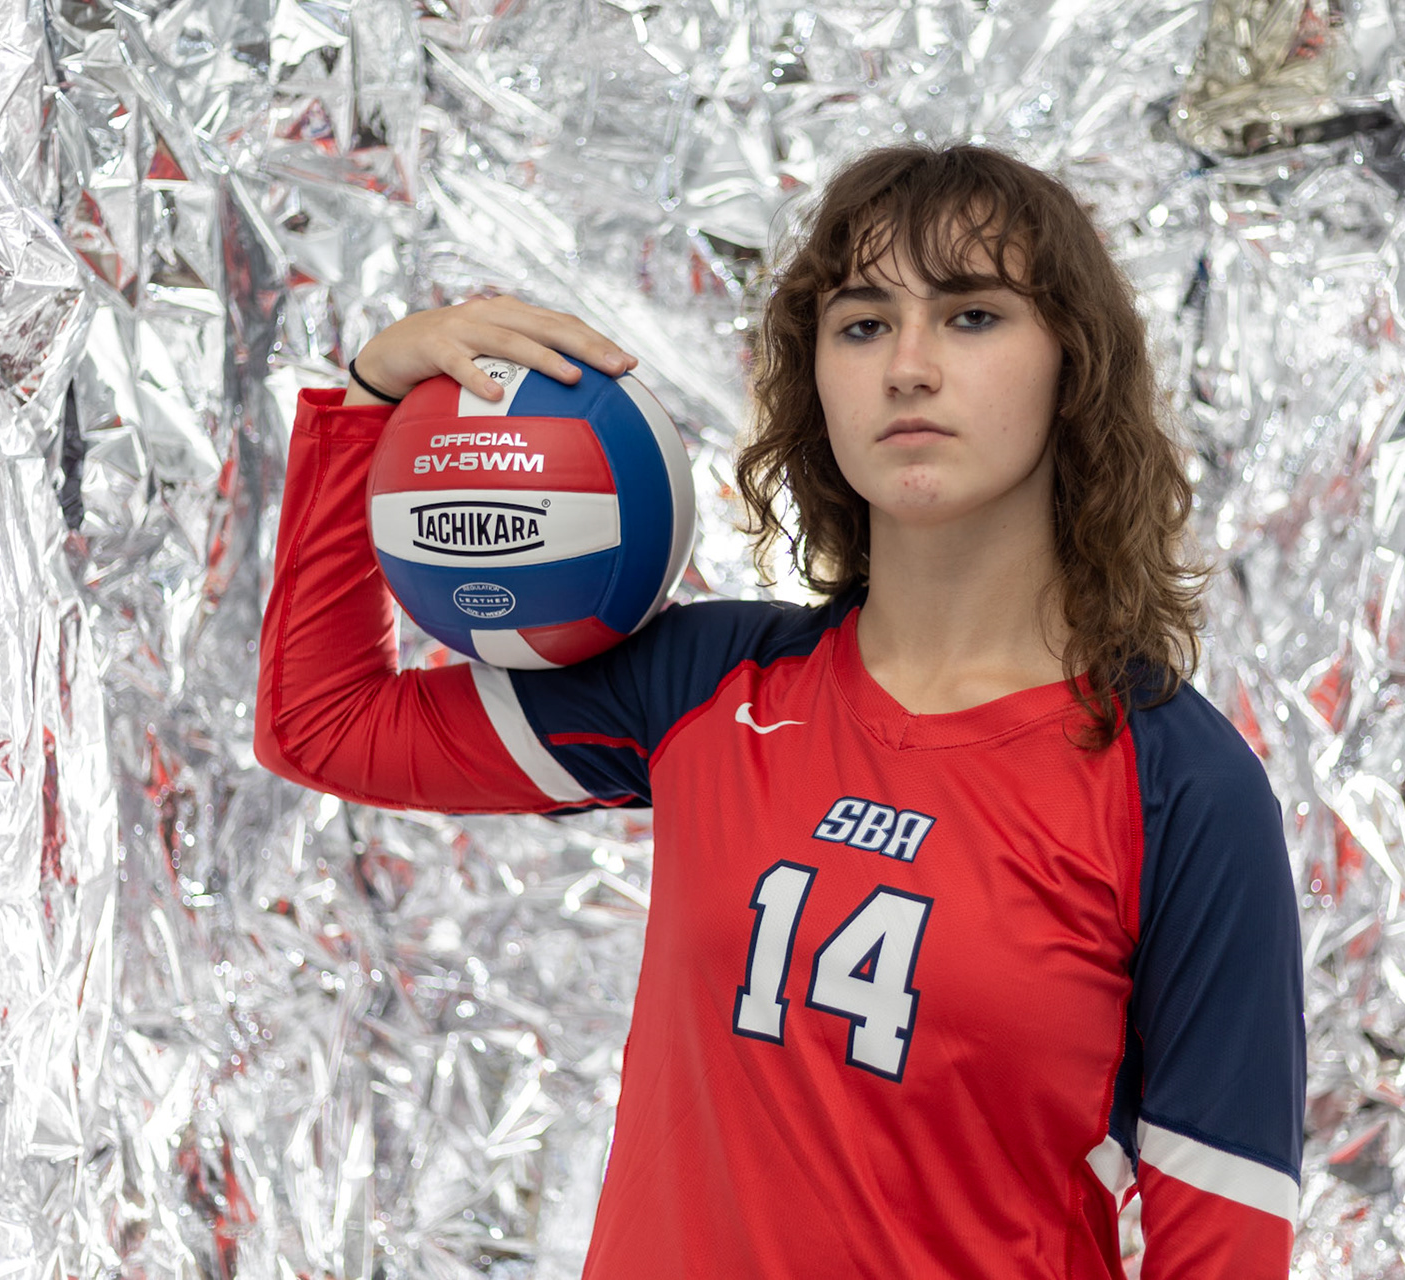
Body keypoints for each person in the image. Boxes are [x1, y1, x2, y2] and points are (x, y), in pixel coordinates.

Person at [255, 144, 1305, 1279]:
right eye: (862, 324)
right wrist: (368, 399)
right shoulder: (708, 681)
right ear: (815, 381)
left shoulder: (1178, 787)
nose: (908, 366)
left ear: (1075, 365)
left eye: (972, 316)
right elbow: (325, 721)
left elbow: (1224, 1252)